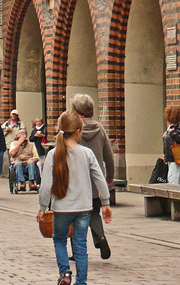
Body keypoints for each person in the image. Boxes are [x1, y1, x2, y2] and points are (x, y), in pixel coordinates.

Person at [37, 110, 112, 285]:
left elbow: (46, 184)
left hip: (62, 208)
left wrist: (42, 208)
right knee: (80, 247)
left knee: (59, 239)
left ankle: (65, 273)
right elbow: (100, 178)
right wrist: (105, 202)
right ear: (79, 131)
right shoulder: (86, 153)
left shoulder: (53, 154)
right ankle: (82, 282)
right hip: (84, 208)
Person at [70, 94, 114, 261]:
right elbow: (108, 154)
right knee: (94, 212)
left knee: (73, 214)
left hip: (75, 180)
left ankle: (77, 251)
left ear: (75, 110)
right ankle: (100, 237)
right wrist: (109, 175)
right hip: (96, 179)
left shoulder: (71, 129)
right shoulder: (99, 129)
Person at [161, 106, 180, 186]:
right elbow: (166, 143)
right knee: (179, 179)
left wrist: (172, 133)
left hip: (177, 157)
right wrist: (165, 156)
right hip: (172, 157)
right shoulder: (171, 126)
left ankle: (175, 196)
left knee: (172, 178)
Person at [10, 127, 40, 191]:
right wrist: (19, 143)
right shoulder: (13, 144)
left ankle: (31, 182)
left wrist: (32, 160)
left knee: (31, 163)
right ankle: (22, 183)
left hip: (28, 163)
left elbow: (37, 157)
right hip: (18, 162)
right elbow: (12, 154)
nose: (24, 135)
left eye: (25, 133)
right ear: (18, 135)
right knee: (18, 164)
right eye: (21, 133)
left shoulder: (31, 145)